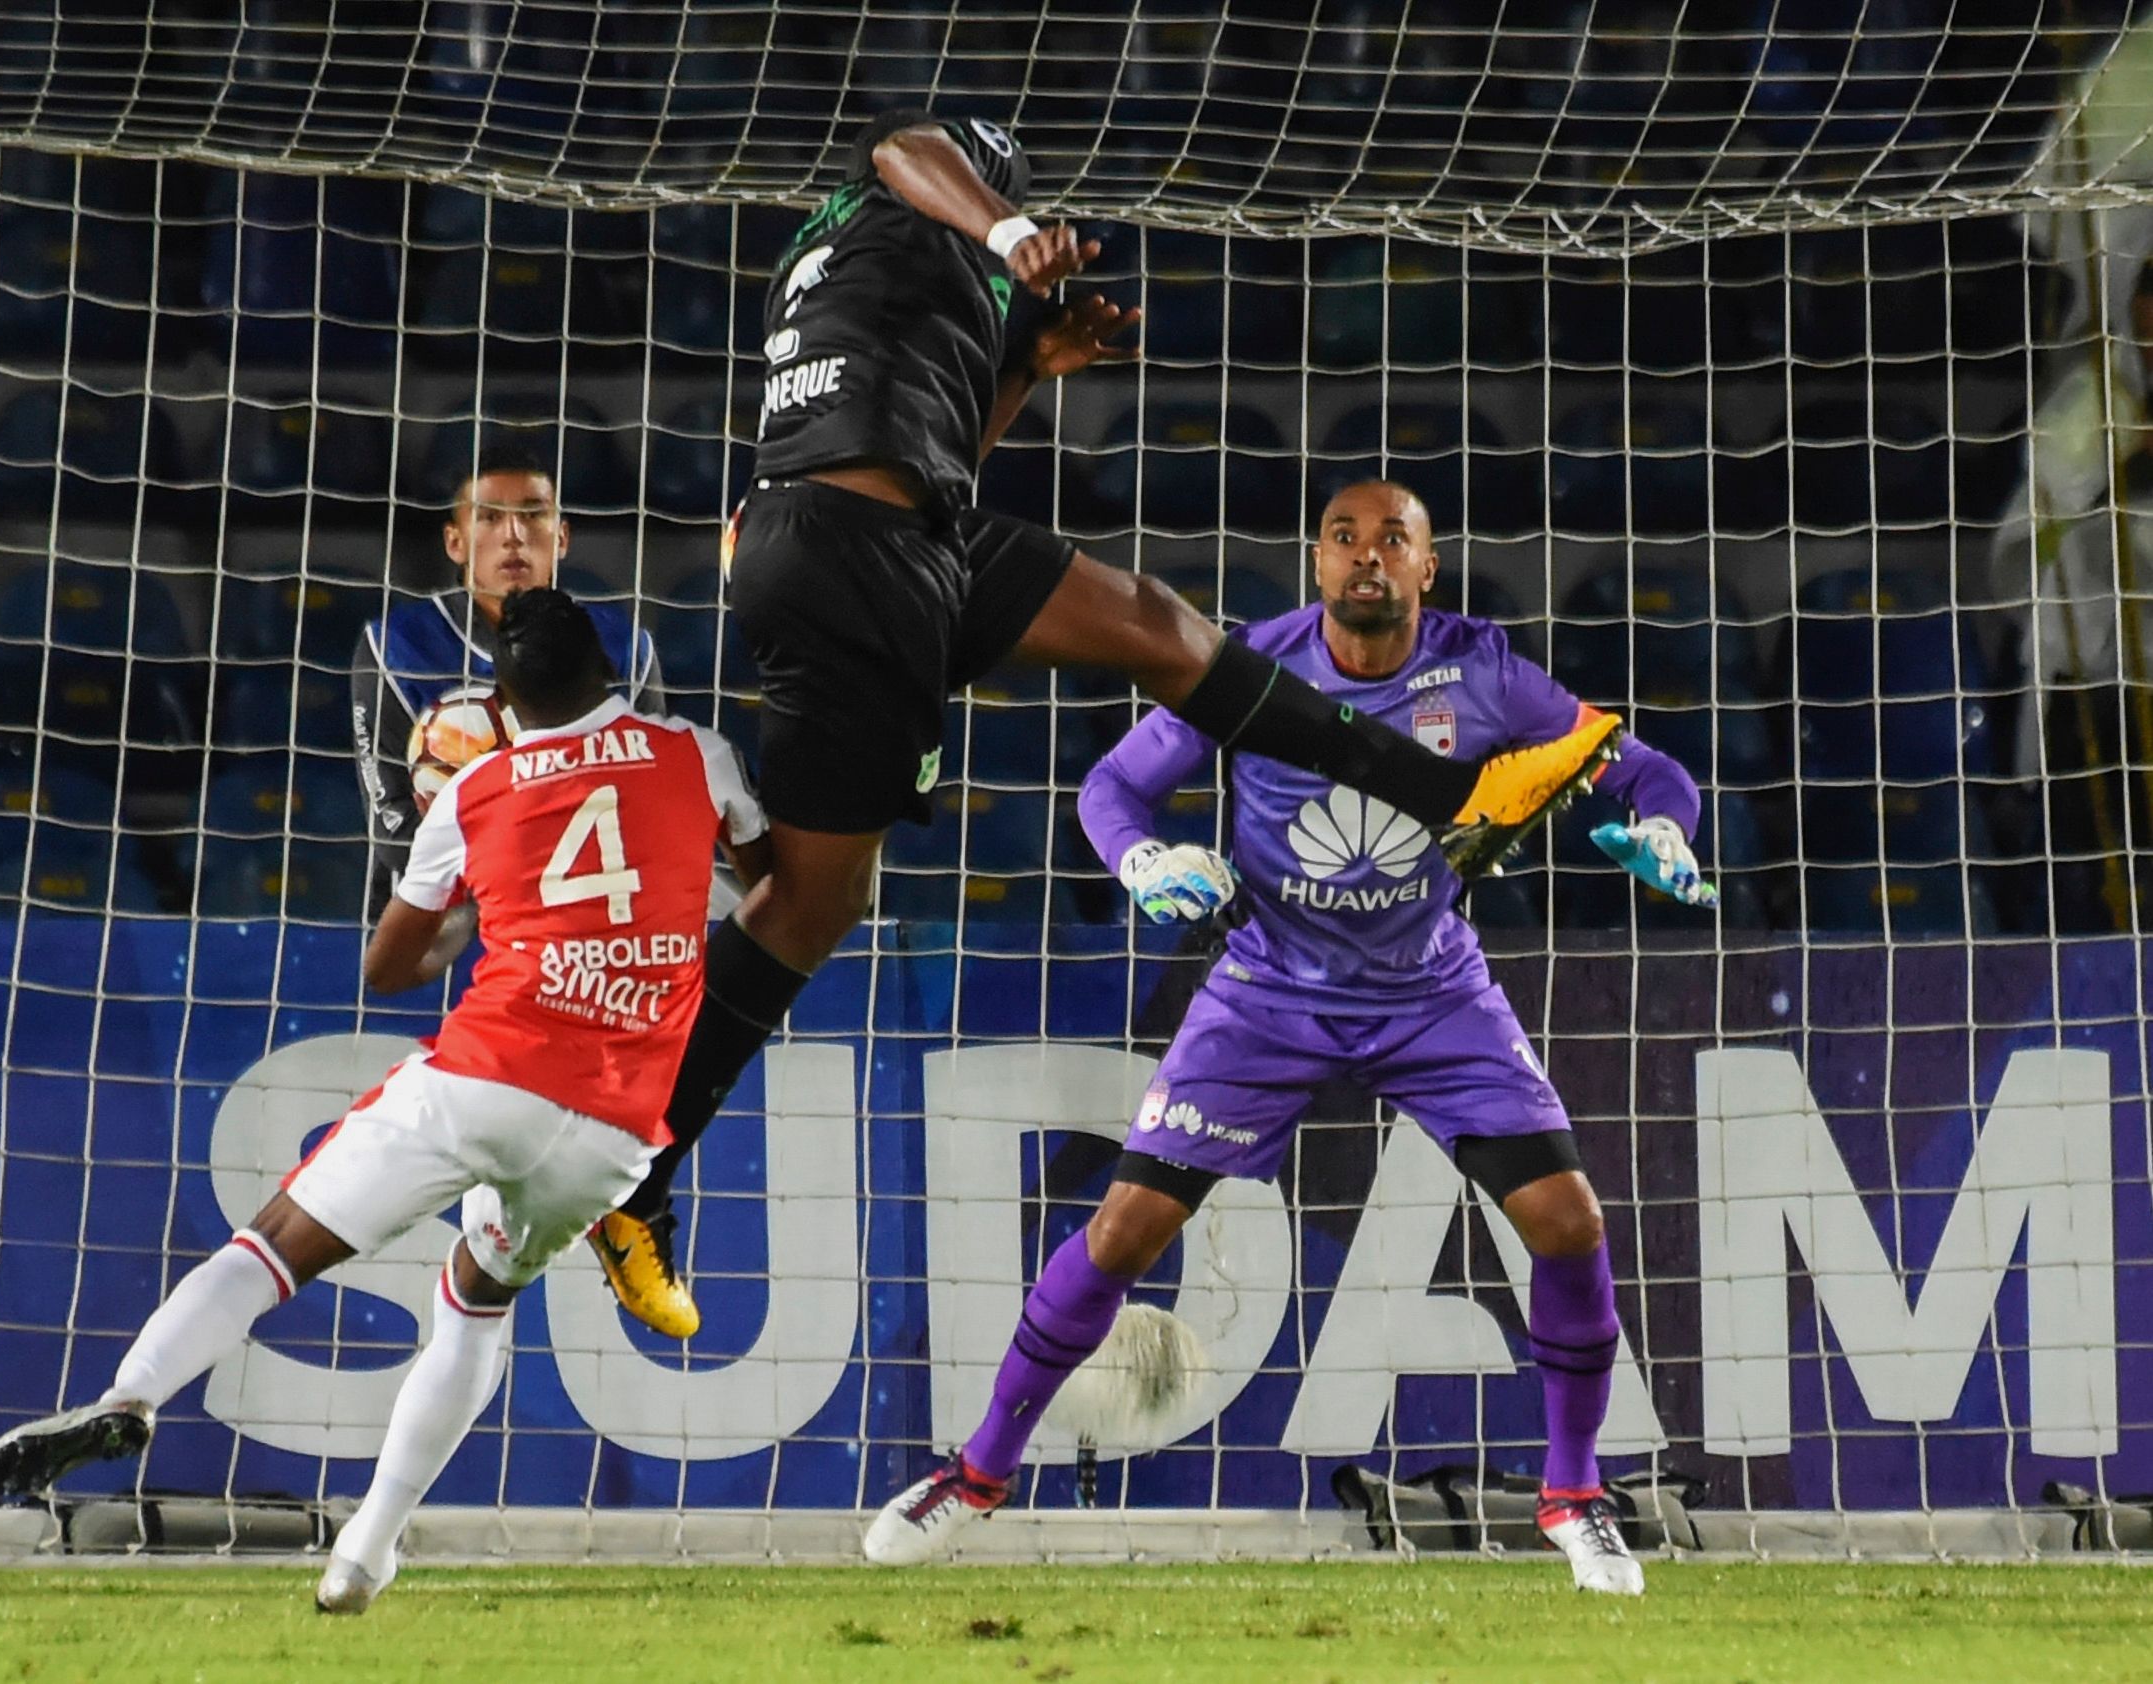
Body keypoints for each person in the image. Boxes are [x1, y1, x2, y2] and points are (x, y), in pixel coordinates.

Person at [585, 110, 1625, 1338]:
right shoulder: (897, 207)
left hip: (892, 540)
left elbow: (935, 451)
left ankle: (1452, 794)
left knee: (1150, 631)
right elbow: (899, 141)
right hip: (850, 553)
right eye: (989, 186)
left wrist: (1031, 365)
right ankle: (631, 1165)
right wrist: (1010, 226)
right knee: (814, 898)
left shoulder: (874, 286)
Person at [860, 482, 1710, 1594]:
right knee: (1122, 1231)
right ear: (1317, 564)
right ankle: (975, 1473)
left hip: (1430, 992)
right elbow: (1116, 786)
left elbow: (1641, 767)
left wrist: (1662, 827)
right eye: (1346, 539)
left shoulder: (1488, 670)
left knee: (1567, 1220)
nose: (1368, 558)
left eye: (1391, 540)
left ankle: (1574, 1493)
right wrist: (1145, 860)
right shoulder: (1247, 665)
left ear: (1427, 568)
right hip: (1268, 989)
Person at [0, 589, 769, 1613]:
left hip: (485, 1081)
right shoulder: (695, 751)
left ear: (501, 697)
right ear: (607, 671)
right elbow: (765, 881)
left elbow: (391, 967)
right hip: (615, 1135)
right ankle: (365, 1551)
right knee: (477, 1305)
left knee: (267, 1249)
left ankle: (133, 1394)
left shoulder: (476, 789)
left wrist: (480, 874)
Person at [352, 443, 663, 912]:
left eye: (532, 515)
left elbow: (648, 802)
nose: (513, 536)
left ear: (561, 537)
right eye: (489, 518)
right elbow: (392, 825)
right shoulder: (394, 648)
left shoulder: (625, 647)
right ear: (454, 542)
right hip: (439, 922)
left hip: (584, 916)